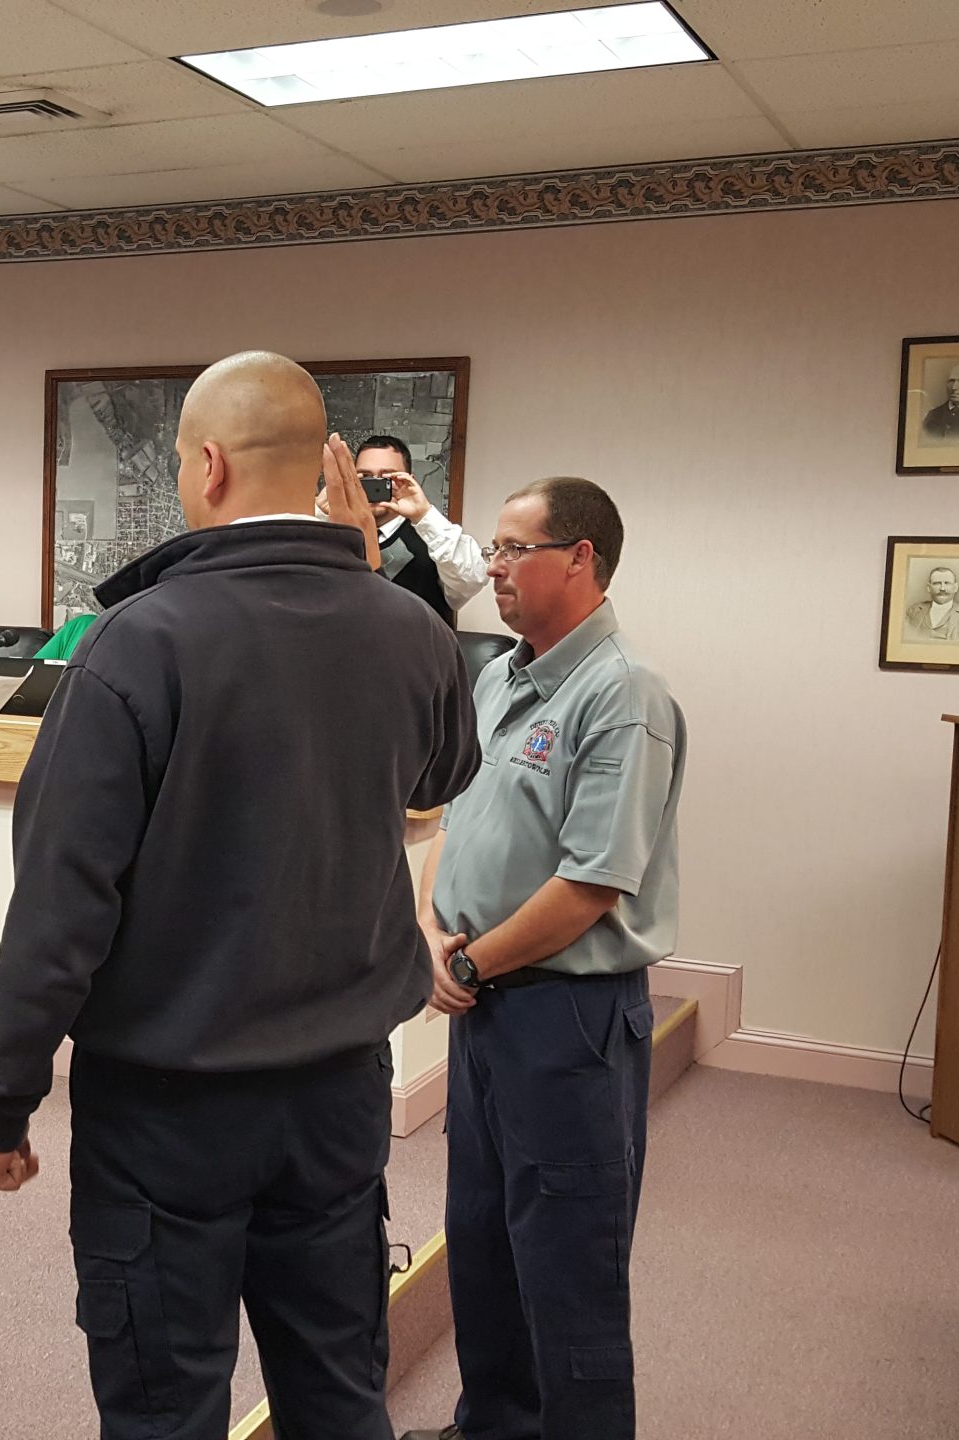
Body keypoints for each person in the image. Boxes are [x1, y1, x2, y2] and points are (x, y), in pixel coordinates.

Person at [0, 351, 480, 1440]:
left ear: (205, 467)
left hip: (167, 1109)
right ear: (322, 470)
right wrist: (365, 578)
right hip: (339, 1099)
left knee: (165, 1402)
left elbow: (62, 910)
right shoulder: (410, 631)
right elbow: (437, 781)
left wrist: (2, 1104)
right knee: (339, 1389)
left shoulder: (132, 646)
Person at [404, 476, 686, 1440]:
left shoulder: (625, 697)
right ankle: (494, 1426)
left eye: (515, 549)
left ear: (581, 560)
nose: (495, 569)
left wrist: (473, 963)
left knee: (569, 1263)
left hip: (569, 1017)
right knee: (483, 1245)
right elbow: (459, 815)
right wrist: (437, 930)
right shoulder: (498, 675)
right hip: (487, 1006)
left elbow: (592, 885)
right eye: (493, 549)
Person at [355, 434, 488, 626]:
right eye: (365, 477)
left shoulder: (432, 538)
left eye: (388, 477)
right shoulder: (338, 538)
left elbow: (472, 578)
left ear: (409, 481)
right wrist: (319, 515)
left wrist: (424, 514)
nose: (375, 485)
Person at [901, 565, 959, 642]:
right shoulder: (913, 611)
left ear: (955, 587)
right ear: (929, 588)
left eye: (947, 583)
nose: (942, 588)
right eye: (937, 583)